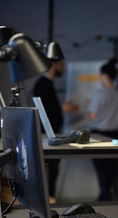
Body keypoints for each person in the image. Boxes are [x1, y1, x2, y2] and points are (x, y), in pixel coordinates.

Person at [33, 42, 78, 199]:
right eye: (61, 64)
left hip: (52, 136)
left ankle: (50, 198)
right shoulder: (42, 85)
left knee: (53, 171)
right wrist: (63, 109)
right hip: (46, 137)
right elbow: (42, 111)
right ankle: (49, 200)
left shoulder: (47, 84)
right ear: (54, 64)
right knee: (49, 171)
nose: (63, 68)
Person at [88, 58, 118, 201]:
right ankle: (106, 198)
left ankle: (104, 199)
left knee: (101, 171)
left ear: (104, 75)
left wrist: (88, 106)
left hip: (98, 135)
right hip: (115, 135)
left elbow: (93, 116)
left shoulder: (99, 94)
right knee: (111, 170)